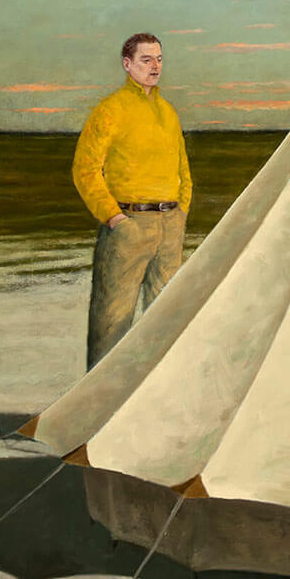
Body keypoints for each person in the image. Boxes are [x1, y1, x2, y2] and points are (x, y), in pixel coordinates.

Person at [73, 33, 192, 369]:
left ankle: (155, 396)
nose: (155, 66)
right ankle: (102, 399)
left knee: (164, 320)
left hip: (169, 227)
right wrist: (114, 218)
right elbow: (85, 169)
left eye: (159, 59)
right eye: (146, 60)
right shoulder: (110, 109)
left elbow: (183, 169)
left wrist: (181, 211)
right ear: (127, 64)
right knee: (112, 323)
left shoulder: (168, 112)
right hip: (128, 226)